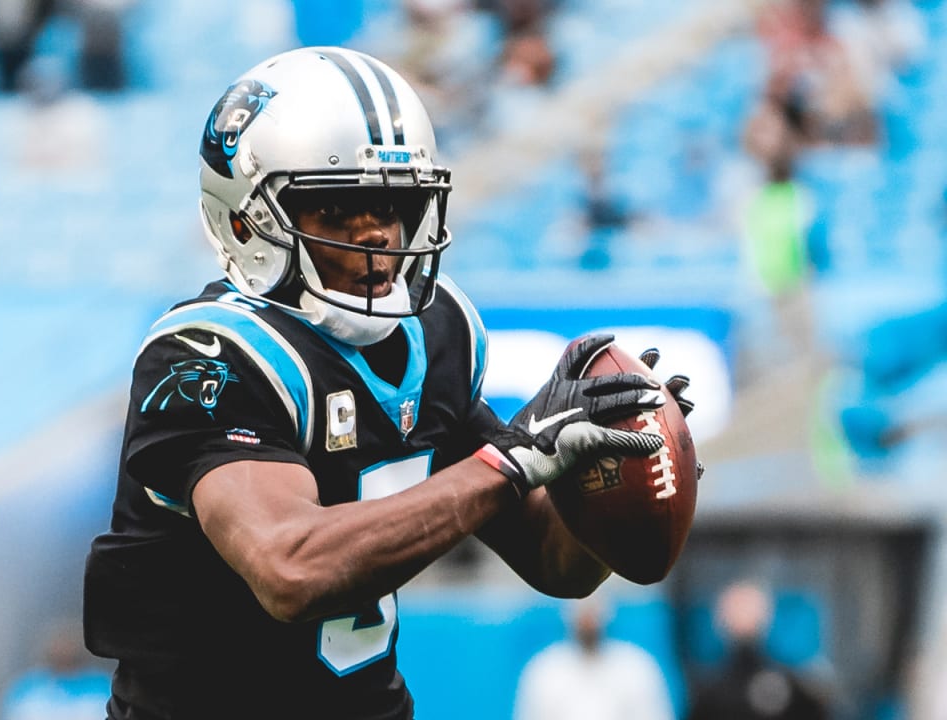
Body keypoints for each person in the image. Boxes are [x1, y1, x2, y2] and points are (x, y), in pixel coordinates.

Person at [82, 46, 697, 720]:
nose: (377, 233)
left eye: (393, 203)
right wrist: (511, 462)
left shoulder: (438, 335)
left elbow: (558, 566)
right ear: (245, 219)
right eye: (339, 210)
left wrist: (613, 477)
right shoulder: (209, 357)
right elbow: (292, 568)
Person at [686, 581, 830, 720]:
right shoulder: (710, 693)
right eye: (738, 608)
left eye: (746, 608)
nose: (742, 613)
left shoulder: (798, 687)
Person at [514, 597, 675, 720]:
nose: (588, 621)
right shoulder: (546, 669)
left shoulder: (635, 665)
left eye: (592, 613)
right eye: (583, 614)